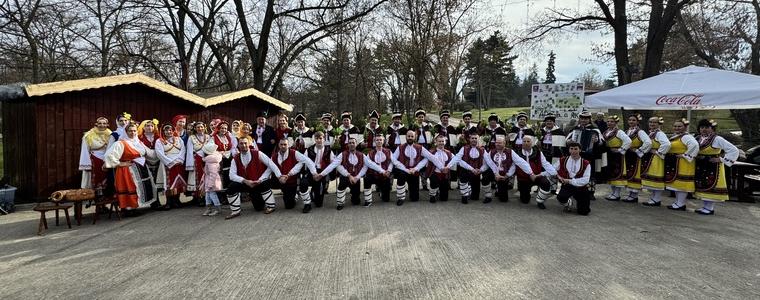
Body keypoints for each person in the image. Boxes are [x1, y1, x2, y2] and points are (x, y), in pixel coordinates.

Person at [104, 123, 157, 214]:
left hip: (141, 167)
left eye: (134, 131)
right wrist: (121, 163)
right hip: (127, 170)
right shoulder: (120, 143)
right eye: (130, 131)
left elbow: (149, 153)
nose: (132, 133)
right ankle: (128, 208)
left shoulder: (139, 142)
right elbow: (109, 156)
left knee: (140, 187)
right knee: (130, 187)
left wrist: (162, 152)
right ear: (126, 132)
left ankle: (135, 205)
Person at [225, 137, 283, 219]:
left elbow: (271, 165)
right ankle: (235, 211)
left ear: (249, 144)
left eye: (245, 143)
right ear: (238, 145)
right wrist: (245, 181)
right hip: (246, 184)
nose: (244, 145)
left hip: (258, 183)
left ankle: (271, 206)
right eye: (241, 143)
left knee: (259, 206)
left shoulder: (258, 153)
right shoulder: (235, 158)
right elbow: (232, 175)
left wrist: (277, 176)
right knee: (231, 186)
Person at [321, 137, 384, 209]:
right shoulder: (342, 154)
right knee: (342, 182)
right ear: (348, 145)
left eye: (353, 143)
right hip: (346, 177)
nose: (351, 144)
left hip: (356, 179)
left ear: (356, 144)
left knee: (356, 202)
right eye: (350, 143)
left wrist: (382, 171)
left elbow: (371, 164)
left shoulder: (361, 155)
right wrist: (322, 174)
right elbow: (334, 165)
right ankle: (340, 203)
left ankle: (353, 195)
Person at [693, 119, 739, 215]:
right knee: (703, 184)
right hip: (701, 164)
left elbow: (733, 150)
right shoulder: (697, 138)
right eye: (702, 127)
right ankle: (705, 206)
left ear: (712, 128)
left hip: (712, 165)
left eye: (707, 127)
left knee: (711, 184)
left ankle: (709, 208)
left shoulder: (717, 139)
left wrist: (722, 159)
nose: (704, 129)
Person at [392, 131, 443, 205]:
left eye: (412, 136)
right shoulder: (400, 147)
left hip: (414, 172)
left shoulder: (420, 147)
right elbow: (393, 159)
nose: (410, 138)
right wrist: (404, 169)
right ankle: (401, 197)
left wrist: (441, 167)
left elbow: (430, 157)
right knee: (401, 176)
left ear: (415, 137)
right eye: (408, 136)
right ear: (406, 137)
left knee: (414, 198)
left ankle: (410, 191)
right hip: (403, 170)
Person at [271, 139, 317, 213]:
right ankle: (294, 195)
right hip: (282, 181)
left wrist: (314, 173)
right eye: (281, 144)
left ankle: (305, 202)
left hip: (292, 181)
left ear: (288, 145)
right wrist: (279, 177)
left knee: (289, 205)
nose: (283, 146)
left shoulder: (294, 153)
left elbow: (307, 161)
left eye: (285, 144)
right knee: (288, 206)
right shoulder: (274, 156)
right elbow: (271, 168)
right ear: (278, 145)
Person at [566, 109, 603, 200]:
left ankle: (590, 192)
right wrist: (569, 141)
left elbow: (602, 141)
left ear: (589, 119)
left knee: (590, 174)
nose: (583, 120)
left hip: (589, 155)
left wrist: (597, 141)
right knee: (576, 171)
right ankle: (575, 189)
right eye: (582, 118)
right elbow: (567, 139)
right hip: (577, 156)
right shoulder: (575, 129)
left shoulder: (595, 130)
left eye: (586, 119)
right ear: (579, 119)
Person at [665, 119, 699, 211]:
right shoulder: (676, 136)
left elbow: (695, 145)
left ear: (685, 127)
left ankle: (681, 203)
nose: (677, 128)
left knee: (682, 183)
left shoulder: (686, 137)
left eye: (679, 126)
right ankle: (678, 202)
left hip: (684, 162)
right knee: (677, 183)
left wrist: (685, 155)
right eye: (675, 126)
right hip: (676, 161)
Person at [514, 136, 556, 208]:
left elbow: (545, 164)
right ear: (521, 143)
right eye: (524, 141)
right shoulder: (516, 153)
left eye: (528, 141)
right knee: (525, 201)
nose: (526, 143)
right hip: (523, 178)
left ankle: (540, 201)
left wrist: (555, 172)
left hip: (536, 176)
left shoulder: (539, 153)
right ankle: (525, 192)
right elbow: (512, 167)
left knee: (545, 182)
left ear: (532, 143)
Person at [640, 116, 672, 206]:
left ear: (659, 124)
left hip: (656, 158)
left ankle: (656, 199)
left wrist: (658, 152)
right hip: (650, 157)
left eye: (654, 122)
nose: (652, 124)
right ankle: (654, 198)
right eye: (650, 122)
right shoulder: (651, 133)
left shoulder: (659, 134)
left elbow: (667, 144)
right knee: (651, 178)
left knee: (656, 177)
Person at [451, 133, 490, 204]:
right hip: (466, 171)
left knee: (475, 197)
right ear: (469, 139)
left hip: (477, 172)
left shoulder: (482, 150)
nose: (474, 140)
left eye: (475, 138)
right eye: (472, 138)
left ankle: (469, 190)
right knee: (463, 174)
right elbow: (458, 160)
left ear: (478, 140)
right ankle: (464, 195)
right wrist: (471, 169)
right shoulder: (464, 148)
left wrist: (481, 170)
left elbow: (488, 162)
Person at [155, 124, 187, 209]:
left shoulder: (179, 139)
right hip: (168, 164)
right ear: (163, 131)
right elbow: (159, 153)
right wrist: (170, 162)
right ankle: (168, 202)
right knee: (169, 183)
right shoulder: (159, 141)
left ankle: (177, 200)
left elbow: (183, 150)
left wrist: (180, 160)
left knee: (178, 182)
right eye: (166, 130)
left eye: (170, 130)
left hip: (179, 163)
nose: (169, 132)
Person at [555, 141, 591, 215]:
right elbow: (552, 169)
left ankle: (581, 203)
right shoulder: (562, 160)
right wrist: (558, 176)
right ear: (569, 150)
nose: (573, 151)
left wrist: (570, 181)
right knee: (561, 197)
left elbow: (586, 180)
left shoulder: (586, 163)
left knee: (584, 212)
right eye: (571, 149)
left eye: (575, 149)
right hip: (567, 186)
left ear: (580, 150)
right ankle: (568, 202)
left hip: (581, 188)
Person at [602, 115, 632, 201]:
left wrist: (621, 149)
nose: (609, 123)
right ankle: (613, 192)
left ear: (616, 123)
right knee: (610, 173)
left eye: (612, 121)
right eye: (608, 121)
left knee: (617, 173)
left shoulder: (619, 132)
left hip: (617, 155)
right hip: (609, 154)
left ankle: (617, 194)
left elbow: (628, 141)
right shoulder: (606, 131)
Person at [623, 114, 652, 203]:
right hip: (628, 155)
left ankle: (634, 195)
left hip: (635, 156)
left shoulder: (640, 132)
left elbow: (648, 142)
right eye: (630, 120)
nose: (631, 122)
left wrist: (639, 150)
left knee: (635, 173)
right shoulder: (626, 131)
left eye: (633, 120)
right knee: (629, 173)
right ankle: (631, 194)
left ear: (637, 122)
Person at [79, 117, 112, 196]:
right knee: (94, 180)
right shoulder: (88, 135)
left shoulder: (111, 134)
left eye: (104, 123)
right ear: (96, 124)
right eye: (100, 123)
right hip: (94, 158)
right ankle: (95, 198)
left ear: (107, 124)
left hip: (106, 160)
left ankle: (105, 198)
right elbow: (84, 150)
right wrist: (86, 164)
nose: (102, 125)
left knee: (107, 181)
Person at [306, 131, 335, 208]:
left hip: (323, 171)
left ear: (324, 139)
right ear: (314, 139)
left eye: (320, 138)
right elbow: (306, 162)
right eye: (317, 138)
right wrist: (313, 173)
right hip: (312, 171)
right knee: (306, 183)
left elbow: (332, 163)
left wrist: (323, 173)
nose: (319, 140)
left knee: (319, 204)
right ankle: (312, 193)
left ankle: (315, 192)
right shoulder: (309, 150)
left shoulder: (328, 150)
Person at [186, 121, 211, 206]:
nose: (200, 129)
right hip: (196, 160)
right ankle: (199, 197)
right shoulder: (191, 137)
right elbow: (189, 151)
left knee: (207, 178)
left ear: (204, 128)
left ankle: (208, 197)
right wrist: (190, 164)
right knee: (198, 179)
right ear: (195, 129)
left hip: (207, 160)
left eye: (201, 127)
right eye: (198, 127)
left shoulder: (208, 137)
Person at [137, 119, 162, 207]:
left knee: (157, 181)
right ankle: (153, 201)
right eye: (147, 126)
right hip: (146, 162)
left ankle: (157, 200)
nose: (150, 127)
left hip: (158, 161)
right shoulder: (139, 137)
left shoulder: (158, 136)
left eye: (151, 126)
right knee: (149, 181)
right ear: (143, 127)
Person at [364, 135, 394, 204]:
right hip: (374, 175)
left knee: (386, 200)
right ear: (374, 142)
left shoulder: (388, 151)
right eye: (377, 140)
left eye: (380, 140)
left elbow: (392, 162)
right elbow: (369, 164)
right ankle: (368, 200)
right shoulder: (370, 153)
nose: (379, 141)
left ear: (383, 141)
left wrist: (389, 170)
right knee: (367, 179)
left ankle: (382, 192)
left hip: (385, 175)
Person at [427, 135, 454, 202]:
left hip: (445, 175)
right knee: (433, 183)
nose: (441, 143)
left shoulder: (448, 153)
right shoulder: (431, 152)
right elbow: (425, 162)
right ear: (436, 142)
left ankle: (440, 192)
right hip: (435, 174)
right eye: (439, 141)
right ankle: (432, 194)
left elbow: (455, 160)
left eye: (442, 141)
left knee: (444, 199)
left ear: (445, 142)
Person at [201, 143, 223, 216]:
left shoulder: (211, 162)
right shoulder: (209, 160)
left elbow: (213, 174)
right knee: (207, 195)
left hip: (212, 181)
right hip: (209, 180)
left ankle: (218, 208)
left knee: (212, 194)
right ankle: (209, 208)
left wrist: (210, 184)